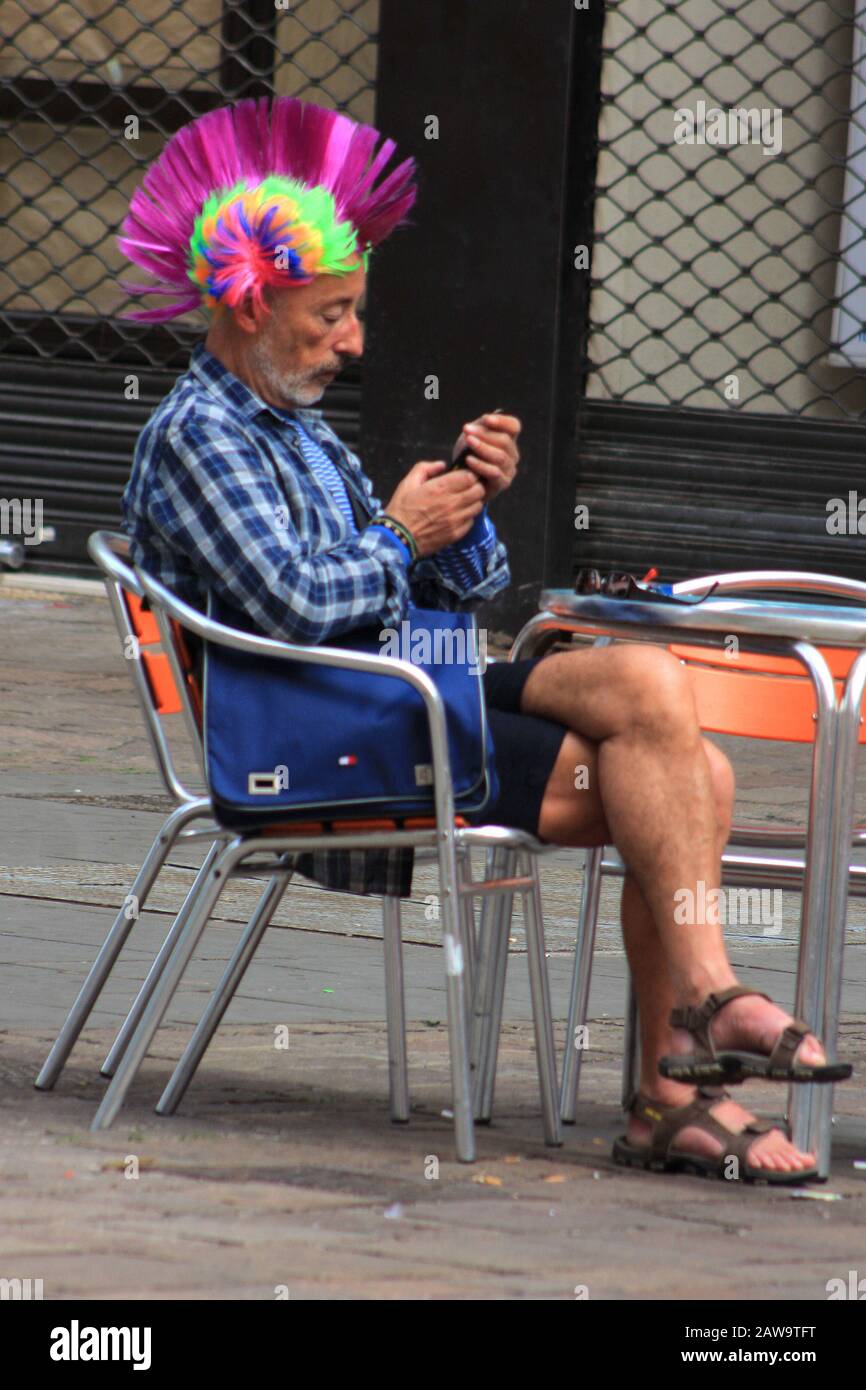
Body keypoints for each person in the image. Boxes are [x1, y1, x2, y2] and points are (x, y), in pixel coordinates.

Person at [120, 95, 849, 1185]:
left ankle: (693, 1028)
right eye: (332, 313)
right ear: (248, 301)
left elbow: (464, 586)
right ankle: (676, 1078)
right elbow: (295, 610)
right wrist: (393, 528)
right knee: (687, 778)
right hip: (324, 725)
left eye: (355, 311)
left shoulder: (294, 424)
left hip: (401, 680)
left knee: (645, 681)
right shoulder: (201, 433)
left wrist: (463, 506)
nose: (355, 340)